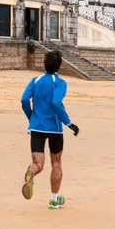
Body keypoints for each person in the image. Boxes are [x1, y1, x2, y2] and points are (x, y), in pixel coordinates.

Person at [21, 50, 79, 210]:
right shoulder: (60, 83)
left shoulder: (35, 80)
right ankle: (54, 200)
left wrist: (32, 117)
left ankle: (31, 173)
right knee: (56, 163)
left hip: (37, 127)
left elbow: (24, 99)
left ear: (44, 64)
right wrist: (68, 122)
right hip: (55, 129)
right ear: (59, 66)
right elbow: (55, 102)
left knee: (37, 163)